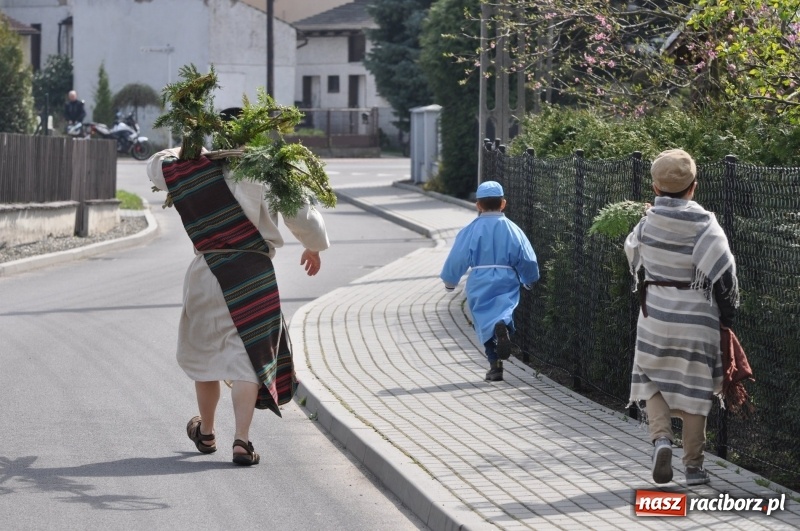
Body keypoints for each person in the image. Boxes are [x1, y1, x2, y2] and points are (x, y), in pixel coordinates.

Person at [146, 116, 330, 466]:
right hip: (253, 274)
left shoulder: (193, 169)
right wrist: (314, 246)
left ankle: (207, 432)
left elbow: (156, 165)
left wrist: (190, 149)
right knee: (249, 358)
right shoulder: (270, 171)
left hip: (207, 272)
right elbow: (301, 214)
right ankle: (242, 441)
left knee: (207, 358)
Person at [625, 148, 738, 486]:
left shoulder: (647, 222)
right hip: (697, 316)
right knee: (695, 389)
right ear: (694, 187)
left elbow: (633, 252)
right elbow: (724, 274)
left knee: (652, 378)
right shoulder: (705, 223)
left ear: (656, 188)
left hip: (655, 314)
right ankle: (693, 467)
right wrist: (728, 316)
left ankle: (660, 440)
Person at [441, 181, 540, 382]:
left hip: (479, 280)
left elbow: (458, 257)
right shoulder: (513, 229)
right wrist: (529, 279)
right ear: (503, 203)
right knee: (504, 311)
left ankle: (495, 367)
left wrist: (450, 281)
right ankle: (503, 326)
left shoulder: (470, 230)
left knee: (483, 321)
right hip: (507, 278)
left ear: (478, 205)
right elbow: (527, 257)